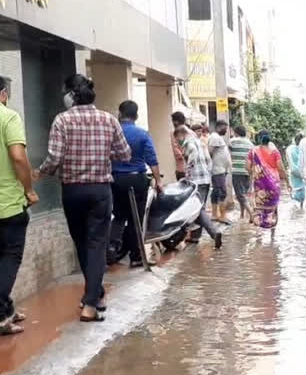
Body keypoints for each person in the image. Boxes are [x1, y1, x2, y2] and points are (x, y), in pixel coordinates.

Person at [35, 74, 131, 322]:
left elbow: (55, 158)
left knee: (81, 243)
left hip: (73, 191)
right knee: (96, 244)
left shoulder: (62, 120)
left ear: (72, 95)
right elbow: (125, 154)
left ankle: (90, 302)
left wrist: (40, 172)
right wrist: (102, 152)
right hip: (100, 190)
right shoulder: (109, 120)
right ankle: (95, 294)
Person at [0, 77, 38, 335]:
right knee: (10, 257)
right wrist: (28, 189)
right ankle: (1, 318)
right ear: (3, 93)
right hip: (8, 205)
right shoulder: (8, 117)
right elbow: (17, 156)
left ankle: (7, 309)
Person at [108, 100, 163, 268]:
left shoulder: (112, 133)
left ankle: (111, 249)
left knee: (118, 215)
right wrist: (158, 181)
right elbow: (152, 159)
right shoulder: (142, 134)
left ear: (119, 114)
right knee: (136, 219)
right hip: (137, 179)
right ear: (136, 116)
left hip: (115, 179)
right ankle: (136, 256)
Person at [174, 125, 222, 249]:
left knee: (198, 209)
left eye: (177, 138)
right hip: (205, 179)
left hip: (196, 181)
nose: (177, 141)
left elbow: (192, 157)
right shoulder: (200, 142)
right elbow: (209, 161)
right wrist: (207, 173)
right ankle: (195, 236)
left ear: (181, 135)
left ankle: (214, 233)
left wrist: (187, 176)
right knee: (200, 208)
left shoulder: (188, 143)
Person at [247, 130, 290, 240]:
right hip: (273, 185)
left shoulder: (253, 151)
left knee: (258, 209)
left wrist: (256, 173)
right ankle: (272, 235)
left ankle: (258, 235)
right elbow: (281, 168)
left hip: (259, 185)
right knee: (272, 209)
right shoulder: (275, 152)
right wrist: (288, 182)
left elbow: (247, 167)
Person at [208, 120, 232, 225]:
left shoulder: (218, 137)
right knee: (222, 192)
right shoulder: (214, 137)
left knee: (217, 192)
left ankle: (214, 215)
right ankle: (222, 216)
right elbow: (209, 152)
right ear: (218, 127)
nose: (226, 130)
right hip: (217, 170)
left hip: (221, 170)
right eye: (224, 128)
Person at [229, 125, 254, 222]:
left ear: (236, 133)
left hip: (237, 171)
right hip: (247, 171)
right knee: (243, 194)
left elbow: (227, 152)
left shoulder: (232, 141)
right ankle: (242, 214)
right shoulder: (250, 144)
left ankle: (250, 213)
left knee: (240, 194)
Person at [171, 111, 191, 180]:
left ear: (175, 122)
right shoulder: (190, 131)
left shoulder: (176, 133)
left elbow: (176, 151)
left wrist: (182, 156)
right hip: (191, 168)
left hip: (182, 168)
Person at [287, 133, 305, 208]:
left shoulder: (290, 149)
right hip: (303, 172)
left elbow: (288, 159)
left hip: (293, 172)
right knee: (303, 190)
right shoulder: (304, 149)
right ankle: (301, 207)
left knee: (294, 189)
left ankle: (295, 209)